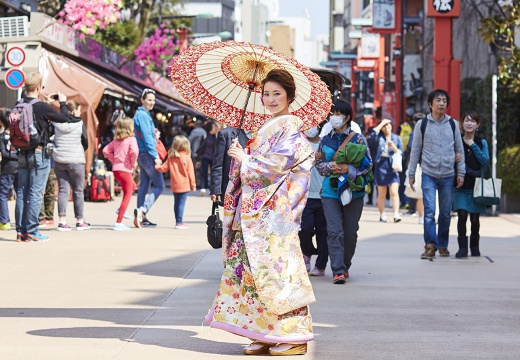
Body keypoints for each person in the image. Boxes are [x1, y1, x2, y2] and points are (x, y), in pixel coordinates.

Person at [204, 69, 315, 356]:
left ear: (290, 96)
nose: (270, 98)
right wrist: (240, 157)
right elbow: (252, 167)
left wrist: (247, 160)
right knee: (253, 276)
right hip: (254, 213)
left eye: (277, 93)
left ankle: (295, 335)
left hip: (275, 214)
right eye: (266, 93)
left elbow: (276, 165)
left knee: (278, 274)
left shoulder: (291, 128)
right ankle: (263, 331)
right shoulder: (267, 128)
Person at [14, 72, 79, 242]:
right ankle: (32, 231)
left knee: (21, 192)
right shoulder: (41, 107)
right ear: (37, 87)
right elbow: (65, 118)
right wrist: (62, 102)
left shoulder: (19, 103)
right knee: (36, 193)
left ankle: (21, 232)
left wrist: (47, 103)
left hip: (22, 152)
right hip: (38, 153)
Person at [316, 99, 373, 284]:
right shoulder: (325, 139)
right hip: (330, 192)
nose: (334, 117)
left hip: (353, 191)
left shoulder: (358, 138)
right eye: (332, 114)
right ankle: (337, 270)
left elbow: (369, 164)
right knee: (334, 231)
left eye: (337, 114)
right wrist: (331, 167)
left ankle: (345, 264)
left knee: (350, 232)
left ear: (347, 117)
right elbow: (319, 164)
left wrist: (349, 169)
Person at [408, 89, 466, 260]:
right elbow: (415, 150)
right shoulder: (422, 125)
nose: (441, 103)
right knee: (429, 211)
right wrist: (411, 173)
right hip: (428, 174)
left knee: (446, 213)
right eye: (438, 100)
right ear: (430, 104)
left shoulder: (453, 124)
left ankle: (443, 244)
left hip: (448, 174)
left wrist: (460, 172)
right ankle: (430, 245)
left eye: (444, 101)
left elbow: (459, 149)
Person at [452, 111, 489, 258]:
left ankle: (474, 246)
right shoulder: (457, 141)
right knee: (461, 216)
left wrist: (473, 144)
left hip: (476, 187)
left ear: (477, 125)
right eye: (466, 121)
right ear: (462, 124)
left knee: (475, 218)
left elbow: (484, 161)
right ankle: (462, 248)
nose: (469, 124)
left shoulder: (481, 142)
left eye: (472, 121)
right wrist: (454, 158)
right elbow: (450, 161)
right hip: (461, 186)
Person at [52, 100, 90, 231]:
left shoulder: (56, 123)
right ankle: (80, 220)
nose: (80, 113)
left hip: (60, 160)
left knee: (63, 190)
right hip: (76, 161)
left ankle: (62, 221)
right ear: (73, 111)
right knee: (78, 190)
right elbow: (86, 142)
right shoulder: (79, 124)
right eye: (79, 110)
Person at [299, 124, 329, 276]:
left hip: (325, 195)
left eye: (311, 125)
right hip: (306, 196)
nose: (308, 128)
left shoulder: (326, 143)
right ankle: (306, 254)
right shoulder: (301, 144)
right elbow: (294, 166)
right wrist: (311, 158)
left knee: (324, 233)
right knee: (305, 229)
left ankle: (321, 265)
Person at [133, 88, 164, 228]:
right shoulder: (143, 116)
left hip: (142, 154)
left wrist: (153, 134)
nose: (151, 102)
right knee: (159, 185)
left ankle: (140, 217)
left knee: (144, 185)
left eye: (153, 100)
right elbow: (146, 138)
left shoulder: (142, 114)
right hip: (147, 154)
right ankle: (143, 210)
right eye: (149, 100)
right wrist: (155, 156)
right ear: (142, 100)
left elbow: (146, 135)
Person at [103, 117, 139, 231]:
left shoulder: (116, 140)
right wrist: (132, 163)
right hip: (125, 170)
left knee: (132, 186)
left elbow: (105, 150)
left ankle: (121, 210)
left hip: (116, 170)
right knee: (128, 194)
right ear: (130, 128)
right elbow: (134, 152)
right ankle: (119, 221)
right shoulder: (131, 139)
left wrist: (114, 160)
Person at [155, 135, 196, 229]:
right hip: (184, 185)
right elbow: (191, 173)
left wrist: (157, 166)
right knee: (181, 203)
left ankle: (177, 221)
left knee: (176, 203)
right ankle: (179, 222)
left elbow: (164, 168)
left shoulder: (171, 157)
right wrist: (193, 185)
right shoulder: (186, 158)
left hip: (174, 185)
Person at [371, 118, 404, 223]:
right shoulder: (378, 138)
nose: (387, 127)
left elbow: (401, 154)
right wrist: (381, 124)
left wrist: (393, 147)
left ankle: (396, 214)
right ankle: (382, 214)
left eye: (388, 125)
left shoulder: (397, 138)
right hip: (381, 166)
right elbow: (372, 135)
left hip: (393, 166)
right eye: (384, 126)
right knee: (381, 193)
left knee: (394, 191)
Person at [209, 125, 249, 204]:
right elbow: (218, 164)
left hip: (251, 188)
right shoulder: (226, 133)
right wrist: (216, 189)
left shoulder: (264, 134)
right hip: (231, 187)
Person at [0, 108, 17, 231]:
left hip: (7, 168)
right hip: (21, 166)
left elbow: (4, 153)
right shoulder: (19, 136)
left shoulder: (1, 137)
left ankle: (4, 221)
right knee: (21, 194)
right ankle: (22, 222)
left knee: (2, 194)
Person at [196, 121, 217, 196]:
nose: (215, 128)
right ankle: (203, 187)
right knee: (203, 172)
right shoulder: (205, 135)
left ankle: (212, 188)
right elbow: (200, 148)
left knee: (213, 173)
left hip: (213, 157)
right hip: (205, 156)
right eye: (214, 127)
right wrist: (198, 159)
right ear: (210, 128)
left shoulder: (216, 136)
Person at [188, 119, 207, 193]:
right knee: (200, 168)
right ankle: (199, 183)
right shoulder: (204, 131)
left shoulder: (195, 131)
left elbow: (189, 140)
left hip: (195, 151)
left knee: (194, 168)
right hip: (202, 152)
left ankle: (195, 182)